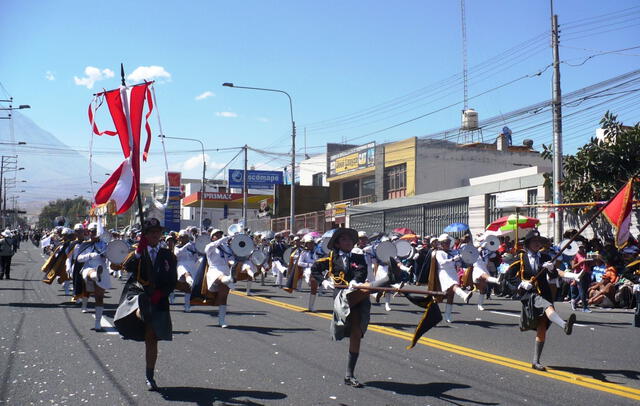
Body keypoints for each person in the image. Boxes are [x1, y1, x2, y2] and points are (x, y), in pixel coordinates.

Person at [311, 228, 400, 388]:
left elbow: (361, 272)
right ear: (337, 243)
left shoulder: (358, 257)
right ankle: (388, 278)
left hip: (357, 292)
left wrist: (355, 281)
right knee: (353, 294)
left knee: (356, 333)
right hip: (341, 296)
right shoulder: (330, 258)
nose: (348, 242)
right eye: (344, 240)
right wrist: (324, 282)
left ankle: (349, 374)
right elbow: (315, 270)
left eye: (350, 240)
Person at [115, 218, 178, 391]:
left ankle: (149, 376)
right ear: (145, 235)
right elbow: (126, 267)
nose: (155, 235)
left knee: (152, 340)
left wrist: (161, 293)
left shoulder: (168, 255)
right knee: (141, 302)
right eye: (151, 232)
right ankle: (138, 315)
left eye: (158, 232)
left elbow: (172, 280)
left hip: (158, 298)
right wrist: (138, 252)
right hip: (138, 293)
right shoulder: (138, 251)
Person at [504, 230, 578, 371]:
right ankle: (564, 325)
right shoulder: (520, 258)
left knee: (542, 326)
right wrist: (521, 283)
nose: (537, 243)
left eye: (539, 241)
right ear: (528, 243)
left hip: (544, 292)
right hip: (530, 294)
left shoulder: (545, 257)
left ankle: (535, 361)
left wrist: (551, 269)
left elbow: (554, 275)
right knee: (548, 307)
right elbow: (509, 276)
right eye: (534, 241)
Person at [429, 233, 472, 323]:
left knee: (450, 295)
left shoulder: (453, 252)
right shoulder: (438, 252)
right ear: (441, 243)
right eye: (445, 242)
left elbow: (457, 263)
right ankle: (464, 295)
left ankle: (447, 315)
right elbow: (442, 263)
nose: (448, 244)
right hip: (443, 273)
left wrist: (459, 263)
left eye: (448, 242)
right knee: (453, 286)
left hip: (452, 272)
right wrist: (453, 259)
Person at [76, 223, 112, 331]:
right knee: (90, 273)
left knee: (99, 297)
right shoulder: (85, 244)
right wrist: (89, 255)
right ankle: (95, 275)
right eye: (92, 231)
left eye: (96, 231)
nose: (93, 233)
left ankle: (98, 322)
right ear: (89, 232)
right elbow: (78, 259)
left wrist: (106, 254)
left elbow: (113, 257)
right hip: (88, 268)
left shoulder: (105, 245)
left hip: (102, 270)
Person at [204, 229, 236, 327]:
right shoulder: (209, 246)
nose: (219, 236)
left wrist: (233, 263)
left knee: (223, 297)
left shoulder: (226, 247)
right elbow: (216, 244)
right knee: (222, 278)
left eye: (220, 234)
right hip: (214, 270)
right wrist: (227, 237)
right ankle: (228, 279)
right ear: (212, 237)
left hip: (226, 270)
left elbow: (230, 258)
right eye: (216, 235)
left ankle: (221, 320)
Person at [173, 230, 199, 312]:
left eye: (184, 237)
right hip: (181, 264)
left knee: (188, 289)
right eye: (181, 237)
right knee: (186, 274)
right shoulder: (177, 247)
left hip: (191, 265)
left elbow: (196, 256)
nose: (182, 238)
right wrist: (186, 246)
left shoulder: (192, 246)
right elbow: (177, 254)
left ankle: (187, 306)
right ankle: (189, 280)